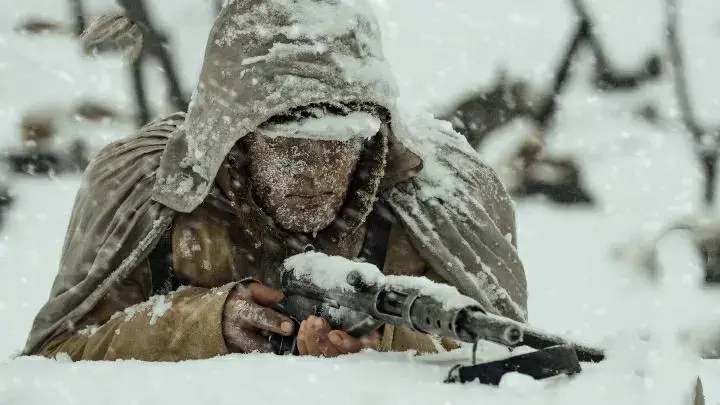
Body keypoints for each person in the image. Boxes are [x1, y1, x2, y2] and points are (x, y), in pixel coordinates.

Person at [22, 0, 528, 361]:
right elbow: (56, 362)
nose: (312, 173)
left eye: (338, 145)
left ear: (372, 146)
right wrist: (207, 323)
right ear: (236, 142)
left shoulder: (435, 202)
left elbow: (503, 361)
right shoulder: (145, 192)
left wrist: (384, 341)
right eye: (287, 147)